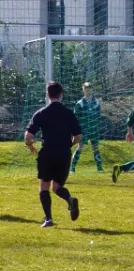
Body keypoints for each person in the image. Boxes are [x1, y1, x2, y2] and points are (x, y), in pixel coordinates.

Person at [24, 81, 82, 228]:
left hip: (47, 153)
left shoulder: (42, 113)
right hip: (64, 154)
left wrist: (30, 146)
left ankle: (48, 219)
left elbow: (28, 137)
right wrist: (69, 145)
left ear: (47, 95)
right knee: (57, 187)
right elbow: (78, 137)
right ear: (61, 95)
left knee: (44, 186)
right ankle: (69, 198)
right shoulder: (69, 113)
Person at [70, 82, 103, 173]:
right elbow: (75, 118)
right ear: (83, 90)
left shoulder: (96, 102)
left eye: (89, 88)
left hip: (94, 129)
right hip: (83, 129)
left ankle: (100, 168)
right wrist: (76, 131)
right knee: (80, 147)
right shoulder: (80, 103)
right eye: (86, 89)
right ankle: (72, 168)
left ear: (92, 89)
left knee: (95, 147)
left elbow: (98, 115)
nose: (88, 90)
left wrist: (96, 125)